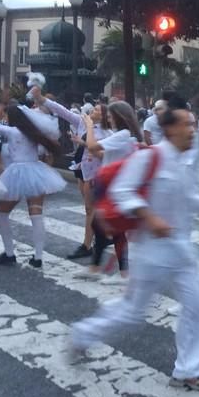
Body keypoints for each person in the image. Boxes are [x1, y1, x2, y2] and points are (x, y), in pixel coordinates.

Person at [71, 96, 199, 391]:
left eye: (194, 124)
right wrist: (149, 216)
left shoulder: (183, 162)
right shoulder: (150, 157)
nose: (193, 130)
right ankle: (83, 334)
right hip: (151, 251)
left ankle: (187, 371)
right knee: (132, 312)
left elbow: (188, 200)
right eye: (187, 125)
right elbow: (122, 191)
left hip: (181, 250)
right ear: (170, 130)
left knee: (195, 308)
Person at [30, 86, 113, 259]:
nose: (93, 110)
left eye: (97, 109)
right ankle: (102, 235)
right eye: (94, 107)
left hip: (95, 174)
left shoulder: (107, 133)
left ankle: (87, 244)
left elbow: (100, 153)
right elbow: (62, 111)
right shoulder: (83, 122)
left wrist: (83, 143)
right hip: (82, 169)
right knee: (90, 208)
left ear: (104, 116)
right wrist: (41, 99)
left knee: (91, 209)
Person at [0, 92, 66, 267]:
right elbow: (43, 150)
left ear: (11, 117)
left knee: (2, 213)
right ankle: (38, 257)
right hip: (36, 170)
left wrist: (1, 104)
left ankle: (9, 253)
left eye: (7, 115)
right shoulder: (32, 133)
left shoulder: (13, 131)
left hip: (16, 172)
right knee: (36, 214)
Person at [77, 101, 143, 282]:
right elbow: (104, 155)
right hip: (109, 182)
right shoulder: (123, 135)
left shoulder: (123, 134)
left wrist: (89, 126)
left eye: (110, 115)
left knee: (115, 229)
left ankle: (122, 273)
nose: (108, 118)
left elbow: (92, 146)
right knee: (100, 226)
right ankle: (97, 268)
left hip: (114, 185)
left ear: (119, 117)